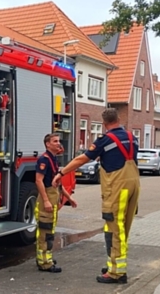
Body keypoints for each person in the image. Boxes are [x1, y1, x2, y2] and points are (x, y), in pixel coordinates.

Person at [53, 108, 140, 284]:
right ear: (118, 119)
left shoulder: (105, 140)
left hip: (117, 187)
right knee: (119, 226)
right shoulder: (132, 137)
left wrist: (62, 173)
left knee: (116, 228)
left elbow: (81, 160)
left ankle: (117, 273)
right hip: (133, 185)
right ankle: (113, 264)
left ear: (104, 123)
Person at [35, 133, 77, 273]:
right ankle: (45, 263)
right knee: (46, 232)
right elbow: (39, 180)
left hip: (53, 197)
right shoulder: (44, 160)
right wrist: (46, 200)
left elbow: (58, 183)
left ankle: (45, 258)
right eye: (55, 141)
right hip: (47, 198)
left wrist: (68, 198)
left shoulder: (53, 159)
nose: (58, 143)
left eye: (59, 141)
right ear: (47, 144)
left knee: (49, 230)